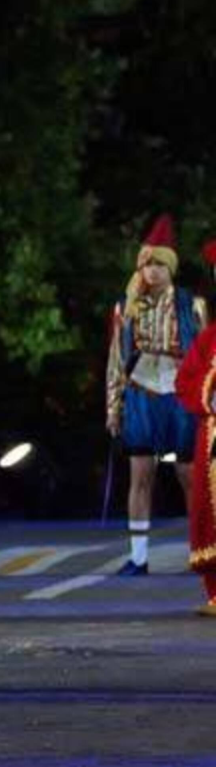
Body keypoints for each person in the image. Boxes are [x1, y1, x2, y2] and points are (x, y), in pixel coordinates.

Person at [108, 215, 202, 575]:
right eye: (147, 263)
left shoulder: (189, 305)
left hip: (179, 395)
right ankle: (138, 557)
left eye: (159, 263)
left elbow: (208, 352)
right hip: (142, 394)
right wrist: (113, 406)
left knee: (189, 475)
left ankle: (203, 550)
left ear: (171, 267)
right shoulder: (127, 307)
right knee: (140, 475)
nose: (152, 271)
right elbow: (116, 359)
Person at [174, 239, 216, 616]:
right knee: (210, 510)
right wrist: (210, 399)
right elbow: (187, 381)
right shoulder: (209, 338)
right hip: (214, 437)